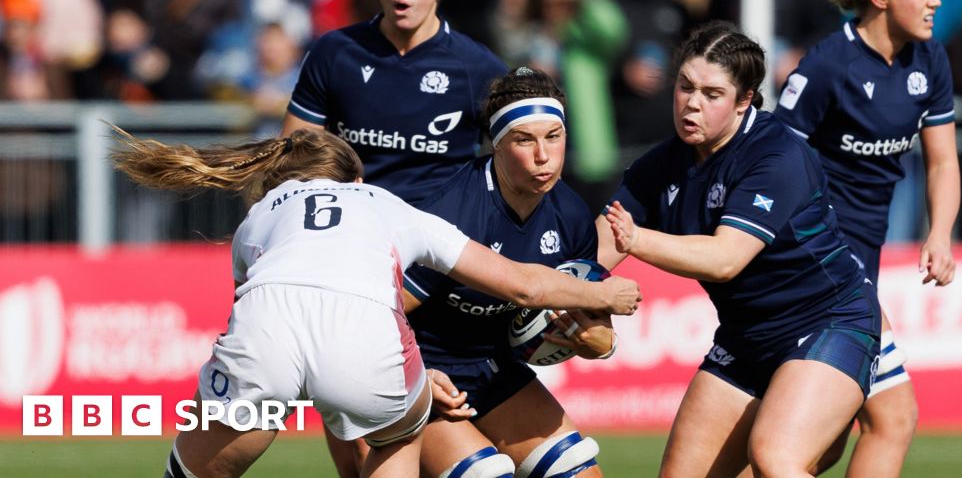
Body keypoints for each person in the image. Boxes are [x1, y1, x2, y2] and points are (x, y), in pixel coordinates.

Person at [108, 127, 641, 478]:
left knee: (199, 467)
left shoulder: (260, 213)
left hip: (265, 327)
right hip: (368, 340)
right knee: (396, 435)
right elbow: (524, 286)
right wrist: (603, 293)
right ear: (354, 180)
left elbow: (260, 310)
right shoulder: (388, 204)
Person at [597, 20, 882, 477]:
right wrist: (557, 291)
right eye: (685, 87)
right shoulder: (660, 165)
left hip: (829, 323)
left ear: (744, 100)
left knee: (775, 457)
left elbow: (725, 259)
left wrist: (637, 240)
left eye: (712, 94)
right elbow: (596, 249)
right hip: (746, 339)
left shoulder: (777, 155)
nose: (692, 103)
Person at [774, 0, 960, 477]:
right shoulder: (829, 65)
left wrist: (940, 233)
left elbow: (944, 162)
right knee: (892, 418)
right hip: (821, 258)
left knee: (825, 442)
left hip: (865, 254)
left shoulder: (930, 59)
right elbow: (775, 164)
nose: (937, 2)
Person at [403, 67, 615, 478]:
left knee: (579, 472)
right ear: (497, 145)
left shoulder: (571, 217)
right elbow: (376, 314)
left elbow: (598, 334)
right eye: (524, 139)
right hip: (420, 371)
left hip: (495, 369)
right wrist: (416, 380)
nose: (543, 155)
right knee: (485, 475)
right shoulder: (451, 213)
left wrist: (595, 342)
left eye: (554, 136)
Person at [281, 0, 506, 207]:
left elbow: (527, 159)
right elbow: (293, 161)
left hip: (439, 242)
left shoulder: (478, 67)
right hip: (354, 230)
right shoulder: (334, 52)